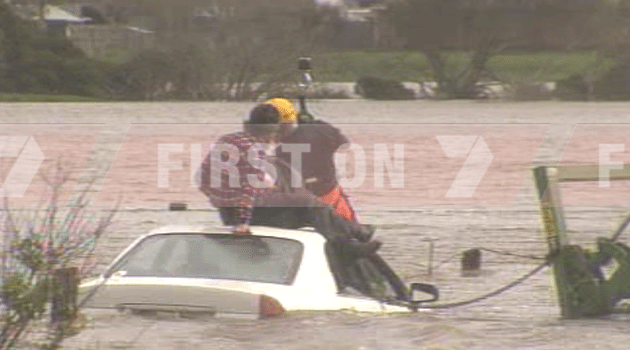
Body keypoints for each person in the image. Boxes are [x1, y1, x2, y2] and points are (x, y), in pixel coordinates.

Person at [199, 103, 380, 256]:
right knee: (308, 200)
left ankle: (351, 236)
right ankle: (352, 238)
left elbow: (202, 177)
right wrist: (241, 223)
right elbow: (248, 190)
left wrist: (220, 201)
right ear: (271, 132)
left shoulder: (227, 140)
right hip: (245, 214)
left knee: (305, 206)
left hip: (227, 212)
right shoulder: (254, 150)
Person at [266, 98, 360, 222]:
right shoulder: (321, 129)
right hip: (330, 199)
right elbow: (344, 144)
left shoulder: (280, 150)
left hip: (307, 205)